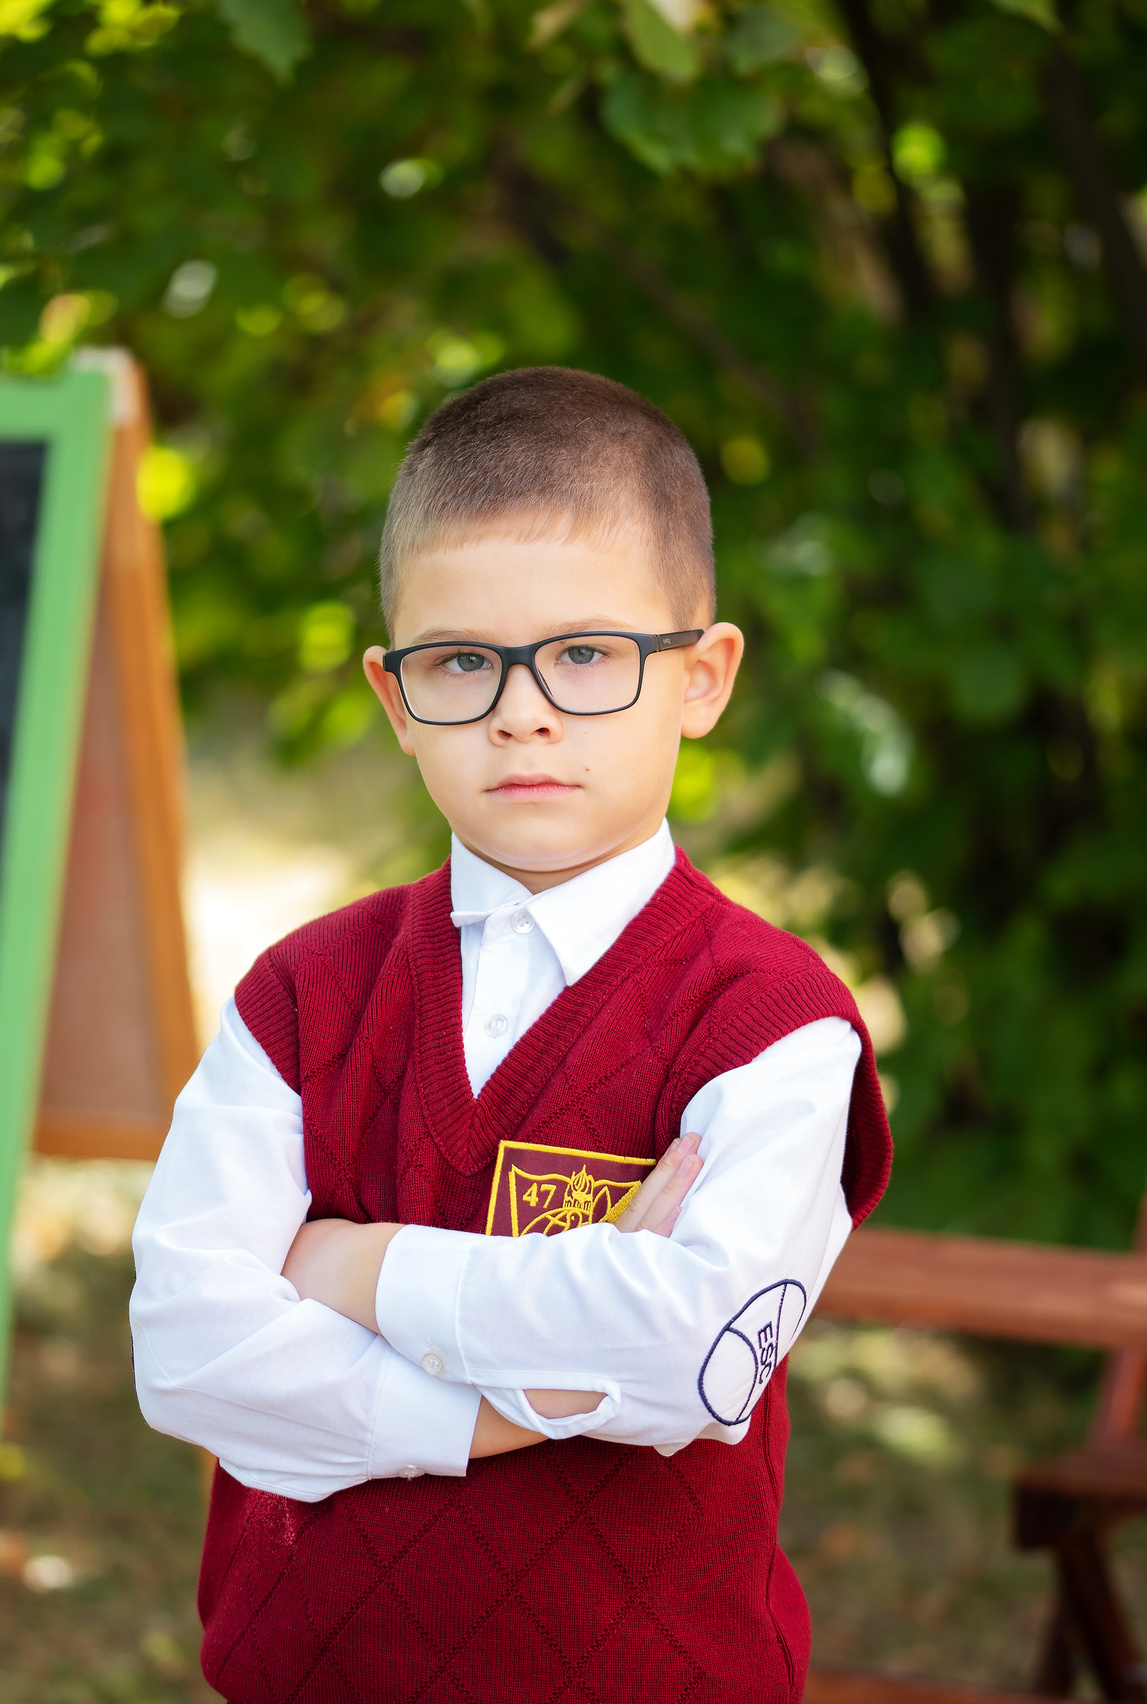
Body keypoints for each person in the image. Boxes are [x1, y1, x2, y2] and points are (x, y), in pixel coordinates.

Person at [129, 366, 892, 1703]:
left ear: (702, 678)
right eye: (461, 662)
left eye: (588, 654)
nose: (521, 709)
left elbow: (686, 1358)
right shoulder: (301, 999)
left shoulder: (770, 1029)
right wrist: (511, 1397)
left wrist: (357, 1268)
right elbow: (190, 1349)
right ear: (392, 694)